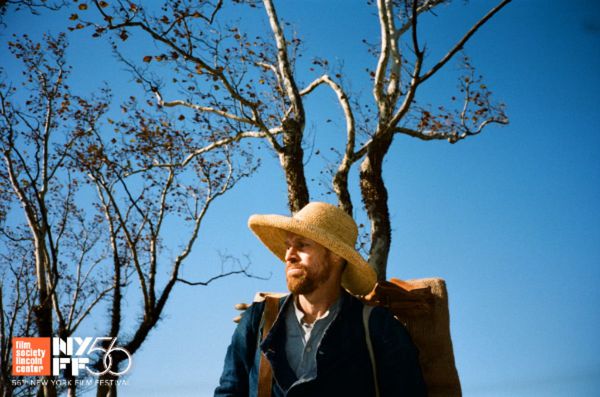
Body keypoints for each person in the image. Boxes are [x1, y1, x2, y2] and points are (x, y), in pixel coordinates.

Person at [214, 202, 426, 397]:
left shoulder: (378, 327)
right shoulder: (257, 319)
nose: (289, 255)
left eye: (302, 245)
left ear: (335, 255)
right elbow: (228, 392)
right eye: (288, 245)